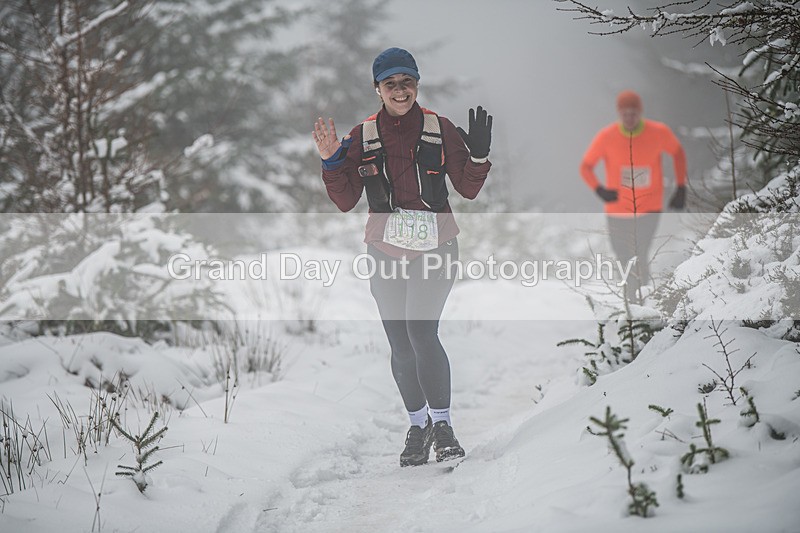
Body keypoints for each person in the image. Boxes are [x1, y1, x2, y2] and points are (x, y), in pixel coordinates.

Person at [312, 47, 492, 466]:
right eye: (390, 83)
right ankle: (418, 426)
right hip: (385, 250)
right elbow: (345, 200)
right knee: (401, 344)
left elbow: (467, 188)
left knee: (421, 332)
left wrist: (479, 156)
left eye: (406, 82)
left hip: (436, 245)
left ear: (416, 84)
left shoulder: (439, 127)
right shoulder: (363, 135)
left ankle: (443, 424)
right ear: (378, 89)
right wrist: (332, 160)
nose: (399, 90)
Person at [580, 90, 687, 302]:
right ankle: (630, 303)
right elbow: (586, 166)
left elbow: (677, 153)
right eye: (625, 113)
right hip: (617, 210)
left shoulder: (658, 132)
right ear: (619, 113)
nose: (629, 118)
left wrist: (681, 186)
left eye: (633, 113)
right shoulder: (606, 136)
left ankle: (641, 303)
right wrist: (599, 189)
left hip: (649, 207)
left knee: (639, 255)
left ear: (640, 113)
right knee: (623, 257)